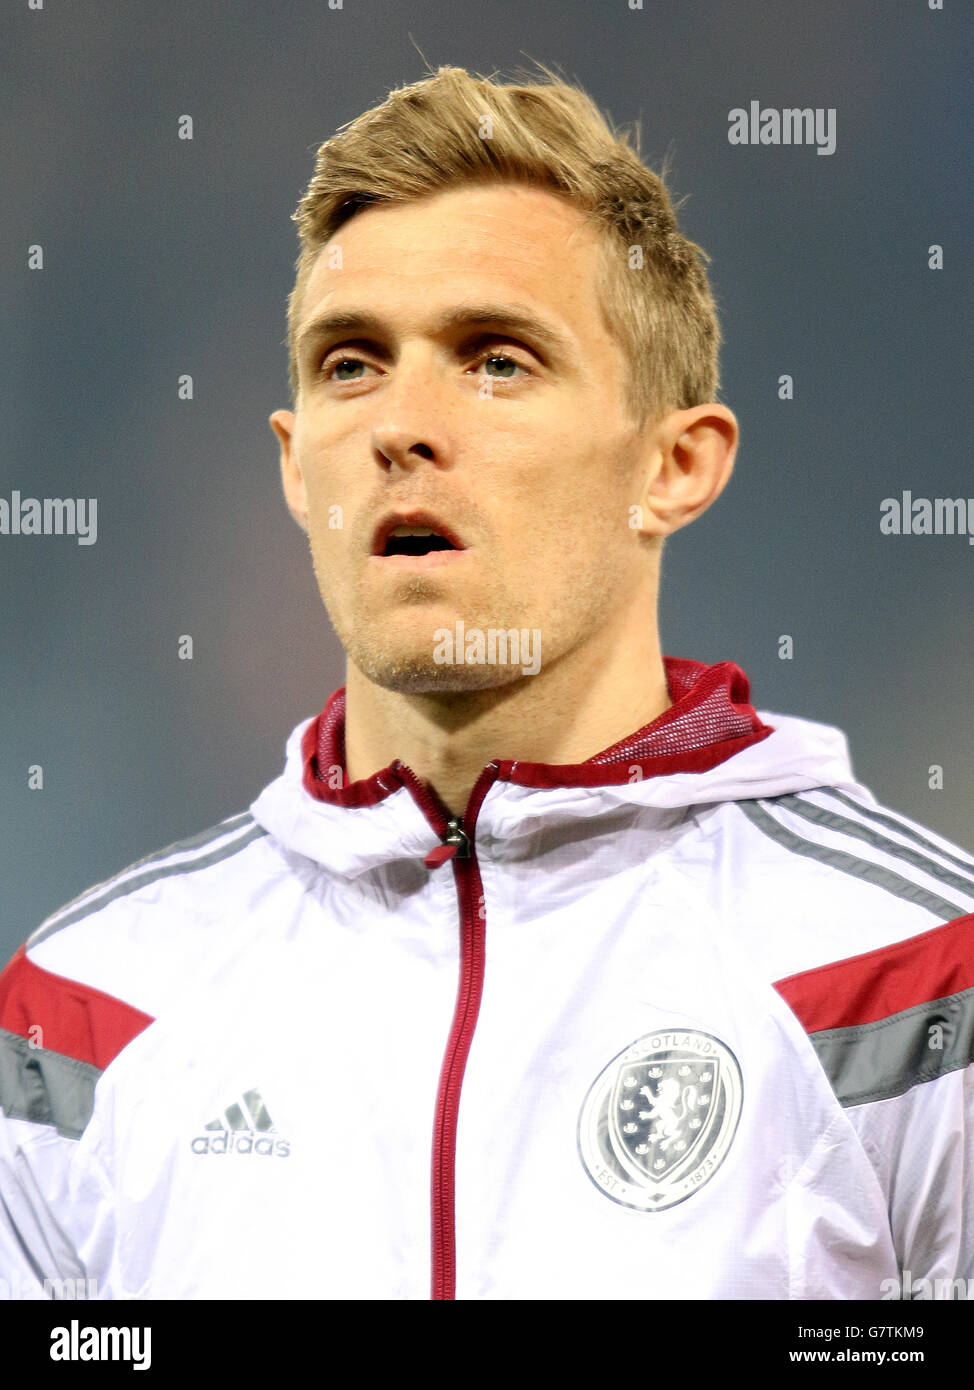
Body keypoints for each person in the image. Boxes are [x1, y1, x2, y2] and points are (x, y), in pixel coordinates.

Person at [1, 63, 971, 1302]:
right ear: (298, 468)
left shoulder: (915, 979)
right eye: (350, 364)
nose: (401, 424)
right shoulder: (84, 1010)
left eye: (495, 360)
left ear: (673, 465)